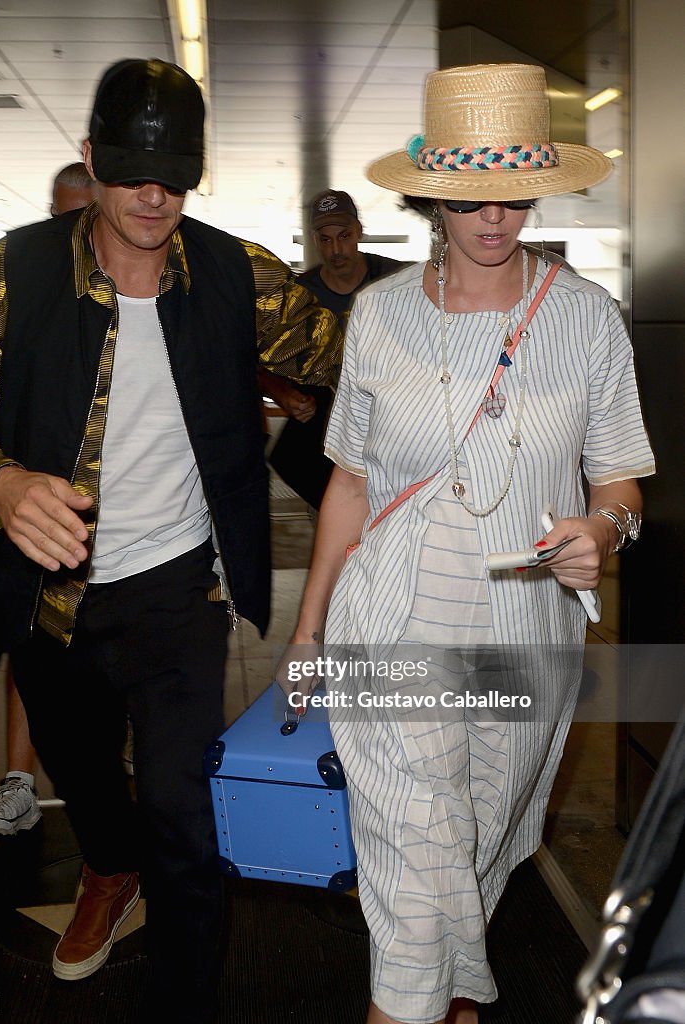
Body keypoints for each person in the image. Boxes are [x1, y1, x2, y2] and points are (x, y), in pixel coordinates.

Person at [0, 59, 341, 1019]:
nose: (153, 195)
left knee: (185, 814)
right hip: (50, 589)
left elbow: (351, 351)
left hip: (177, 591)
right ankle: (109, 868)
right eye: (130, 171)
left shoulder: (240, 275)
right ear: (89, 161)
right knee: (80, 769)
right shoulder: (11, 273)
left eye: (176, 175)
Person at [278, 63, 654, 1024]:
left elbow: (620, 480)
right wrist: (311, 627)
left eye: (514, 193)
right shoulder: (382, 313)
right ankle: (412, 1001)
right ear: (431, 194)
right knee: (411, 841)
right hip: (389, 619)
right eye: (471, 195)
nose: (495, 217)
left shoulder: (588, 321)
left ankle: (453, 993)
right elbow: (352, 482)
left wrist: (599, 532)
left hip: (521, 632)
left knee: (474, 838)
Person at [0, 162, 96, 841]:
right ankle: (18, 782)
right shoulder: (12, 284)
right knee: (26, 641)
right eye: (57, 213)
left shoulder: (116, 295)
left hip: (105, 520)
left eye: (79, 215)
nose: (65, 230)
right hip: (18, 508)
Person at [264, 190, 405, 509]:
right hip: (329, 434)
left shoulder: (397, 281)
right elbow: (260, 363)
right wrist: (285, 396)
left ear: (359, 232)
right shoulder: (299, 298)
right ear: (314, 240)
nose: (336, 249)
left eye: (344, 236)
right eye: (326, 240)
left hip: (389, 422)